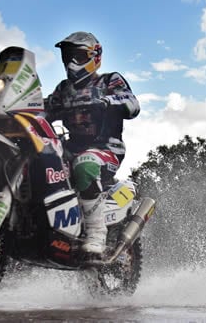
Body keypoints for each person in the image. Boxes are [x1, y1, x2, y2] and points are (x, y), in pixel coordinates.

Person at [44, 31, 140, 257]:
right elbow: (45, 109)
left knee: (85, 165)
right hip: (69, 149)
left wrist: (108, 101)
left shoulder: (109, 80)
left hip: (106, 149)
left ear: (93, 56)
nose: (71, 62)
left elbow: (132, 104)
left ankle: (96, 232)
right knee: (38, 160)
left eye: (77, 56)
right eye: (68, 57)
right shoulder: (64, 89)